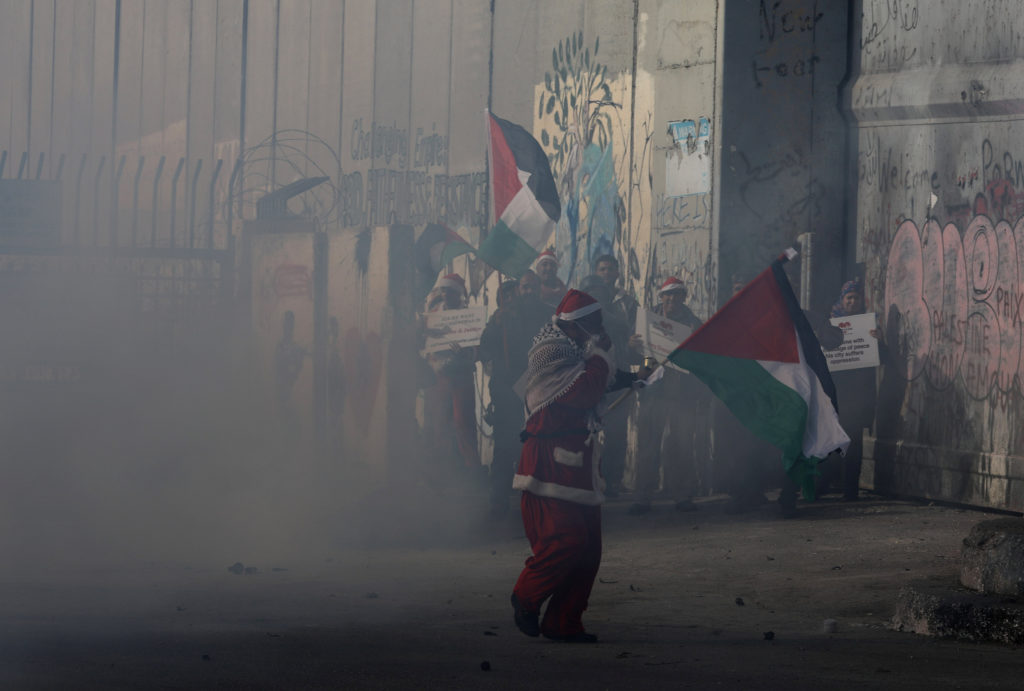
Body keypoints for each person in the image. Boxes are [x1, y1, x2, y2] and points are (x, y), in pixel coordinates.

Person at [510, 289, 649, 643]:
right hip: (548, 464)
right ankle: (526, 596)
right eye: (593, 326)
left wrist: (634, 376)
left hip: (578, 462)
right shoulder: (550, 352)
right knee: (566, 540)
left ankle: (564, 621)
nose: (599, 332)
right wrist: (602, 354)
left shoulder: (575, 352)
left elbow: (596, 378)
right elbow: (585, 389)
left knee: (589, 550)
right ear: (575, 325)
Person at [478, 271, 553, 519]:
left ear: (539, 288)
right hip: (505, 392)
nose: (528, 291)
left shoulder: (547, 315)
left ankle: (536, 502)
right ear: (519, 289)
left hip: (536, 391)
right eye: (525, 287)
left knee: (535, 449)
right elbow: (485, 348)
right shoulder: (503, 316)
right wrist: (497, 327)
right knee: (504, 449)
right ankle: (498, 501)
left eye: (533, 287)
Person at [629, 276, 705, 515]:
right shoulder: (646, 322)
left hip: (682, 394)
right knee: (648, 446)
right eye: (667, 294)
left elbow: (701, 361)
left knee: (682, 445)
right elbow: (635, 358)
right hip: (652, 392)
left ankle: (682, 495)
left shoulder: (693, 325)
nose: (671, 299)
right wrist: (632, 346)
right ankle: (642, 497)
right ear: (660, 297)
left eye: (677, 294)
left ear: (684, 298)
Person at [816, 277, 884, 501]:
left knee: (853, 445)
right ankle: (822, 485)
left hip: (857, 398)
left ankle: (850, 491)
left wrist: (877, 342)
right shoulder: (829, 326)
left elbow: (883, 359)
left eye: (855, 298)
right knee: (829, 442)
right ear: (842, 300)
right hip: (833, 394)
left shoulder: (868, 327)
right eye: (849, 298)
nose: (852, 302)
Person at [579, 274, 642, 496]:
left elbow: (633, 356)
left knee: (614, 436)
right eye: (591, 294)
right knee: (584, 436)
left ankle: (611, 481)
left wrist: (635, 349)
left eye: (599, 294)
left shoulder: (619, 325)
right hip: (587, 387)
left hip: (614, 385)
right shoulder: (574, 325)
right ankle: (589, 480)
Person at [421, 273, 481, 474]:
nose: (447, 294)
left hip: (461, 376)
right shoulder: (434, 315)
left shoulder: (468, 317)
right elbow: (427, 345)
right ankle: (441, 468)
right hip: (440, 376)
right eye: (444, 290)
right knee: (439, 420)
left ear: (458, 294)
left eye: (452, 291)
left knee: (463, 421)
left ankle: (471, 465)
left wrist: (465, 353)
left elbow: (475, 348)